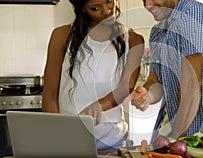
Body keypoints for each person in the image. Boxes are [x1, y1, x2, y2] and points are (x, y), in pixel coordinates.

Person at [42, 0, 144, 150]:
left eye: (109, 1)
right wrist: (57, 135)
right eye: (95, 8)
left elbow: (126, 87)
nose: (107, 10)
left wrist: (99, 105)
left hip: (112, 142)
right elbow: (50, 94)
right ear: (82, 9)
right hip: (69, 140)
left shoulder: (134, 40)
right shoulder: (62, 35)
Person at [124, 0, 203, 143]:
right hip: (174, 137)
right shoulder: (157, 32)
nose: (147, 5)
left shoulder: (193, 15)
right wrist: (147, 93)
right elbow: (156, 80)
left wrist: (174, 141)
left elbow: (191, 84)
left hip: (197, 142)